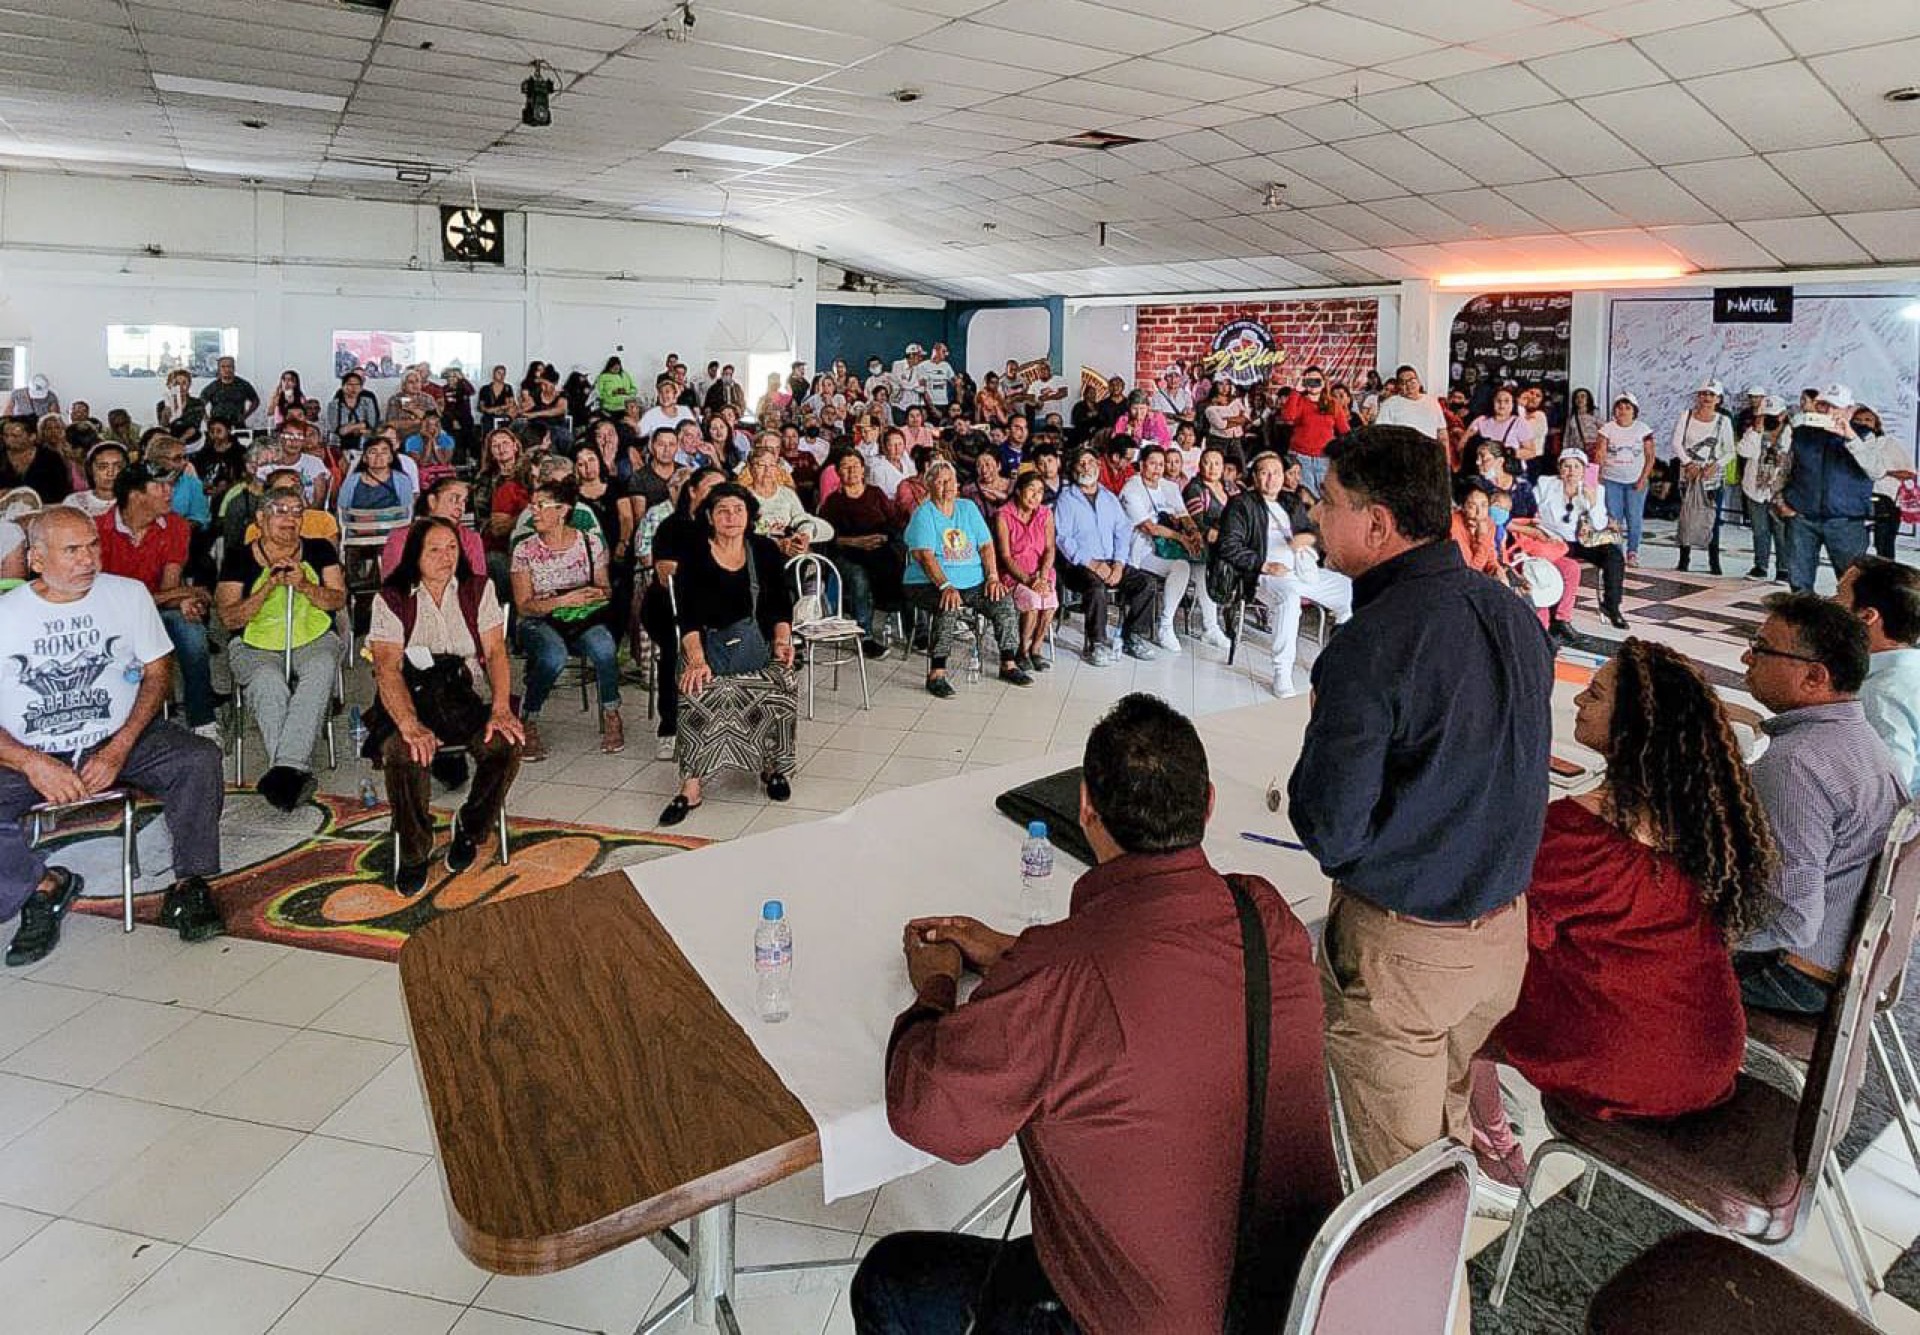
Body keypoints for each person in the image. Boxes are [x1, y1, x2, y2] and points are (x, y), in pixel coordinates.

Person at [854, 694, 1342, 1334]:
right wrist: (1015, 952)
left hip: (1142, 1319)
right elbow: (1157, 983)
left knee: (891, 1281)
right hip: (1303, 1304)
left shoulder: (1062, 977)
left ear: (1085, 808)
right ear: (1210, 803)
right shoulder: (1265, 915)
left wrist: (937, 986)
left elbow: (925, 1111)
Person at [1288, 425, 1553, 1182]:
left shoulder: (1373, 643)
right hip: (1500, 939)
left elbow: (1332, 832)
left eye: (1329, 502)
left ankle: (1429, 1301)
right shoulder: (1508, 611)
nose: (1315, 517)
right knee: (1443, 1124)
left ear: (1378, 523)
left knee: (1399, 1200)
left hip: (1408, 955)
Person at [1466, 641, 1779, 1198]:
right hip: (1710, 1049)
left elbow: (1494, 917)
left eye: (1599, 692)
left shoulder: (1577, 831)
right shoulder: (1696, 814)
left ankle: (1486, 1150)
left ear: (1634, 725)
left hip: (1635, 1063)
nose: (1580, 698)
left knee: (1435, 999)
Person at [0, 508, 227, 960]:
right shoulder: (7, 615)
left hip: (122, 735)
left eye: (93, 546)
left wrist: (119, 747)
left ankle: (190, 882)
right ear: (36, 559)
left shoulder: (127, 595)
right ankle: (42, 886)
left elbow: (157, 674)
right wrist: (31, 761)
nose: (88, 560)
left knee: (198, 759)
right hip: (31, 749)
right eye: (72, 550)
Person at [1737, 593, 1905, 1014]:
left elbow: (1788, 919)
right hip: (1844, 956)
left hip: (1795, 975)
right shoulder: (1859, 738)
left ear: (1815, 677)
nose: (1746, 657)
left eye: (1760, 649)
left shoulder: (1796, 765)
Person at [366, 518, 524, 896]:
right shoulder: (391, 597)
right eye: (434, 550)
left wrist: (501, 707)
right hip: (410, 696)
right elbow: (386, 668)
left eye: (452, 548)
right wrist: (408, 723)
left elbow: (496, 652)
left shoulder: (476, 589)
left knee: (505, 744)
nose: (445, 557)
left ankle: (470, 829)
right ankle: (415, 850)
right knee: (404, 753)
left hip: (462, 697)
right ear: (415, 555)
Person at [658, 483, 798, 825]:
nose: (731, 516)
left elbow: (781, 603)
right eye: (722, 510)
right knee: (695, 685)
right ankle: (691, 785)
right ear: (710, 516)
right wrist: (696, 658)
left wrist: (782, 641)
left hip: (756, 645)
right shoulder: (694, 553)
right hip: (706, 647)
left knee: (782, 680)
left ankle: (772, 766)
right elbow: (686, 615)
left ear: (749, 515)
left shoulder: (764, 550)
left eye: (738, 509)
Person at [215, 487, 347, 812]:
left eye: (297, 511)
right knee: (267, 683)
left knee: (320, 669)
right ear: (260, 519)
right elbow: (229, 616)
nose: (290, 518)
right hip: (254, 643)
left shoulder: (319, 550)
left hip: (313, 636)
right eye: (280, 510)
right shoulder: (239, 557)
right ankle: (293, 773)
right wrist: (269, 586)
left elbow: (337, 599)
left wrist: (303, 585)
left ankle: (284, 772)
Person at [1213, 451, 1355, 698]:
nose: (1272, 479)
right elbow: (1228, 545)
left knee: (1350, 591)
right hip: (1264, 575)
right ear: (1255, 478)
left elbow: (1310, 535)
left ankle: (1336, 658)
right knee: (1289, 600)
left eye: (1276, 473)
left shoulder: (1291, 502)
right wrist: (1264, 565)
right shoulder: (1241, 504)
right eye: (1265, 473)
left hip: (1301, 570)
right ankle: (1282, 672)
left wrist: (1306, 541)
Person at [95, 464, 220, 740]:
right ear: (136, 494)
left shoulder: (175, 526)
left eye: (170, 486)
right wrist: (185, 595)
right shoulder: (97, 530)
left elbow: (169, 586)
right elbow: (105, 598)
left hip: (157, 610)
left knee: (192, 633)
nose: (170, 493)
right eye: (161, 486)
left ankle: (203, 720)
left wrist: (181, 599)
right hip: (110, 616)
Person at [511, 479, 623, 761]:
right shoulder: (524, 550)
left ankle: (612, 713)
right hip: (539, 619)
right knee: (553, 657)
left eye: (540, 505)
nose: (533, 511)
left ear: (562, 510)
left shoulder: (589, 542)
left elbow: (605, 588)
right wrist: (562, 601)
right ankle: (529, 718)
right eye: (532, 505)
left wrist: (592, 595)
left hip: (580, 617)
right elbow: (524, 606)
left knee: (605, 648)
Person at [901, 459, 1030, 698]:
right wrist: (946, 585)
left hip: (973, 582)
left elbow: (986, 545)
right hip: (926, 583)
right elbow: (926, 557)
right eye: (939, 481)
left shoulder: (967, 508)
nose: (945, 486)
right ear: (929, 485)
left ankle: (1008, 663)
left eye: (949, 480)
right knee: (948, 604)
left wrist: (992, 577)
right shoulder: (923, 514)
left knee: (1003, 601)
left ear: (957, 485)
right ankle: (937, 673)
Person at [1053, 449, 1160, 665]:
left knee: (1147, 583)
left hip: (1112, 562)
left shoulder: (1109, 498)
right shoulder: (1066, 499)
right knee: (1096, 587)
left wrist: (1119, 564)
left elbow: (1122, 532)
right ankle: (1097, 644)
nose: (1086, 467)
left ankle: (1133, 636)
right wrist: (1093, 564)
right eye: (1081, 463)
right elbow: (1063, 538)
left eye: (1091, 462)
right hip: (1079, 565)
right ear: (1073, 469)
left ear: (1098, 467)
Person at [1778, 385, 1878, 593]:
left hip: (1846, 521)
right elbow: (1783, 468)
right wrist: (1780, 501)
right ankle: (1804, 621)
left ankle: (1851, 624)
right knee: (1798, 582)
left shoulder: (1865, 436)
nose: (1829, 411)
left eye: (1836, 407)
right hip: (1802, 518)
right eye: (1824, 405)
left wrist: (1850, 437)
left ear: (1849, 410)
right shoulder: (1800, 433)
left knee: (1852, 584)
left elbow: (1876, 470)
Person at [1839, 556, 1920, 793]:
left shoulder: (1880, 693)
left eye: (1838, 597)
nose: (1829, 604)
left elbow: (1889, 791)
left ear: (1866, 617)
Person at [1119, 444, 1207, 654]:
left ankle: (1205, 626)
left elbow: (1184, 514)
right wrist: (1181, 538)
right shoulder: (1131, 489)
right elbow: (1149, 527)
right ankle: (1164, 626)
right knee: (1181, 567)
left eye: (1161, 464)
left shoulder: (1169, 486)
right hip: (1142, 550)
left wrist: (1194, 534)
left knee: (1202, 566)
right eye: (1152, 464)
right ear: (1141, 465)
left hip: (1170, 547)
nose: (1157, 469)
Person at [1531, 448, 1628, 630]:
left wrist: (1591, 503)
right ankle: (1554, 612)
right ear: (1560, 469)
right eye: (1567, 466)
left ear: (1584, 470)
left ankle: (1611, 606)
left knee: (1613, 556)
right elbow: (1532, 510)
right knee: (1560, 564)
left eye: (1576, 467)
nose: (1571, 472)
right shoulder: (1546, 484)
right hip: (1553, 539)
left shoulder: (1596, 489)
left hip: (1583, 540)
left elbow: (1599, 525)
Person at [818, 451, 901, 657]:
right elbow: (828, 536)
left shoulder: (875, 493)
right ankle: (865, 636)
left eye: (856, 465)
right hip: (847, 553)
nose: (852, 470)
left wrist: (882, 538)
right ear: (838, 472)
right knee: (858, 577)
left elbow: (893, 522)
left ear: (863, 469)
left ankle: (917, 629)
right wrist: (856, 542)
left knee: (902, 567)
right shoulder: (833, 502)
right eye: (845, 466)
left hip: (878, 549)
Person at [993, 468, 1058, 672]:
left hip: (1041, 573)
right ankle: (1022, 650)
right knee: (1031, 602)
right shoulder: (1003, 515)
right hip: (1015, 574)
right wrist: (1028, 580)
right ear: (1019, 491)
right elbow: (1005, 556)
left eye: (1040, 491)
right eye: (1031, 490)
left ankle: (1036, 649)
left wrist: (1043, 575)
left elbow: (1050, 549)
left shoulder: (1045, 514)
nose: (1035, 496)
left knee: (1049, 603)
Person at [1673, 382, 1734, 575]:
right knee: (1687, 515)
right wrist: (1688, 463)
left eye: (1712, 395)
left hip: (1711, 477)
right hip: (1689, 474)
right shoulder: (1687, 416)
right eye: (1703, 394)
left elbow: (1730, 451)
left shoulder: (1723, 421)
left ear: (1718, 399)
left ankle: (1714, 561)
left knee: (1711, 518)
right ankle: (1684, 558)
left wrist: (1716, 465)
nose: (1707, 398)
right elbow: (1676, 443)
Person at [1736, 394, 1793, 581]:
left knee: (1781, 531)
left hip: (1780, 492)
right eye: (1764, 415)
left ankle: (1784, 569)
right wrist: (1756, 431)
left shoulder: (1791, 434)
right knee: (1760, 530)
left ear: (1783, 415)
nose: (1769, 419)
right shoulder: (1754, 432)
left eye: (1773, 416)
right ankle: (1760, 566)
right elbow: (1743, 451)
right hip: (1755, 489)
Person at [381, 475, 483, 577]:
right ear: (432, 501)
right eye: (454, 499)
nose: (461, 508)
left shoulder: (471, 538)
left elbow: (478, 584)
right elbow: (392, 585)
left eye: (464, 501)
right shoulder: (401, 538)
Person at [1596, 392, 1655, 565]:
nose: (1623, 411)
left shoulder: (1643, 429)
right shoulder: (1606, 429)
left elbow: (1650, 456)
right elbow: (1600, 454)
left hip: (1635, 480)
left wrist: (1643, 478)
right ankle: (1616, 551)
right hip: (1611, 479)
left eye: (1627, 408)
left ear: (1634, 411)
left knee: (1634, 517)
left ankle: (1633, 551)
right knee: (1614, 517)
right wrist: (1598, 477)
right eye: (1619, 407)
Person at [1279, 367, 1349, 494]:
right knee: (1305, 496)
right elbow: (1288, 417)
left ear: (1323, 383)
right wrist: (1296, 390)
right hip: (1300, 457)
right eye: (1309, 380)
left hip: (1325, 458)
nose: (1313, 384)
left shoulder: (1333, 404)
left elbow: (1345, 431)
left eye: (1316, 380)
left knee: (1325, 497)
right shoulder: (1299, 401)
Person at [336, 435, 415, 515]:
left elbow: (407, 512)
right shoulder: (352, 481)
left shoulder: (402, 480)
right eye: (373, 452)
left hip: (394, 526)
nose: (378, 456)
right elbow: (341, 511)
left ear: (390, 458)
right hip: (358, 526)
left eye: (384, 452)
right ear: (364, 458)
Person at [0, 418, 72, 503]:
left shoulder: (50, 457)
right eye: (6, 435)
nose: (9, 440)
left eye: (15, 436)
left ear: (32, 436)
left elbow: (62, 491)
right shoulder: (1, 457)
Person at [1375, 365, 1446, 443]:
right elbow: (1381, 433)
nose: (1409, 385)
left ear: (1419, 382)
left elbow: (1442, 432)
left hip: (1430, 451)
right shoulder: (1389, 404)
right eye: (1403, 383)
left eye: (1411, 381)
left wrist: (1446, 454)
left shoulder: (1432, 402)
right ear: (1398, 386)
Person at [198, 355, 259, 429]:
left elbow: (255, 401)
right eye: (223, 367)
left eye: (229, 366)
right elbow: (199, 405)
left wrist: (245, 415)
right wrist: (207, 420)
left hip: (237, 425)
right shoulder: (212, 387)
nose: (226, 369)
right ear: (219, 369)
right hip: (217, 427)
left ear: (234, 368)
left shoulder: (243, 385)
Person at [69, 441, 126, 519]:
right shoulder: (74, 502)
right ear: (90, 470)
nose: (110, 473)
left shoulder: (135, 502)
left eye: (118, 467)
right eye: (103, 467)